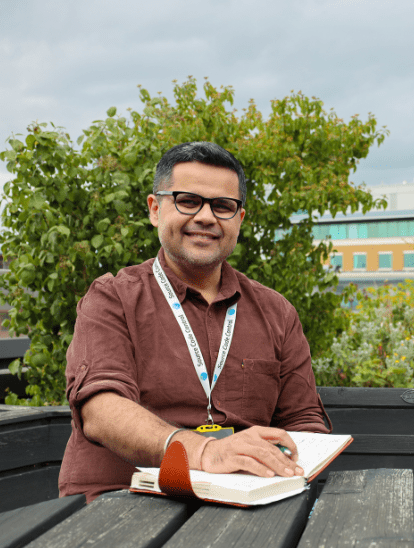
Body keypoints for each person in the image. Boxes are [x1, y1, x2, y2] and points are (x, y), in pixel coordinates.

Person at [59, 141, 331, 502]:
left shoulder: (276, 312)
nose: (206, 217)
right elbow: (101, 408)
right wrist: (203, 452)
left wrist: (291, 467)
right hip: (124, 500)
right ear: (155, 209)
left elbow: (304, 421)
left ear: (240, 220)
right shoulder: (112, 298)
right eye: (188, 201)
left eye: (223, 206)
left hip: (244, 502)